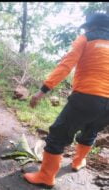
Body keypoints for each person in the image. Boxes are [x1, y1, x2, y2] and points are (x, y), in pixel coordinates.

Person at [23, 13, 109, 188]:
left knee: (58, 134)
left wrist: (43, 90)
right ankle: (78, 162)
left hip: (87, 96)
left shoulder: (85, 38)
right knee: (91, 129)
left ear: (91, 27)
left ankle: (46, 177)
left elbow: (65, 65)